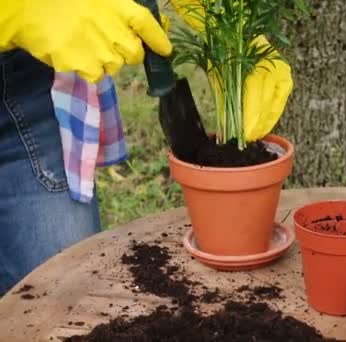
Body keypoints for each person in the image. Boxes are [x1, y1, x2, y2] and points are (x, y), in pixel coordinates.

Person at [0, 0, 293, 295]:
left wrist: (213, 15)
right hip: (35, 26)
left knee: (66, 289)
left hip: (29, 78)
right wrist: (18, 13)